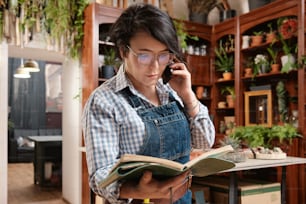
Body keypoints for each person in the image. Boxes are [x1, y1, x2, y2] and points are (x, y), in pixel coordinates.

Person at [82, 3, 215, 204]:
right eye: (144, 55)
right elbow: (99, 176)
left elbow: (204, 143)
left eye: (163, 55)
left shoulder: (172, 91)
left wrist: (188, 96)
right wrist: (137, 190)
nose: (155, 66)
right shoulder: (104, 101)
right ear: (123, 51)